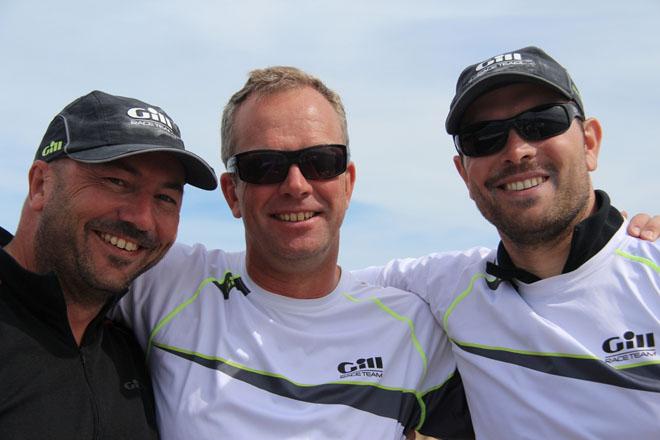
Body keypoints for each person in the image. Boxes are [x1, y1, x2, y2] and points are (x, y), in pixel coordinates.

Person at [114, 67, 474, 439]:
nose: (296, 185)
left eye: (321, 161)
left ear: (347, 183)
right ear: (231, 193)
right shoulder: (163, 284)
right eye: (264, 166)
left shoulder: (412, 329)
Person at [356, 46, 660, 439]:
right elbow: (304, 287)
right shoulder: (446, 288)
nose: (517, 151)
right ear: (464, 173)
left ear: (589, 143)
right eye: (484, 137)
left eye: (542, 122)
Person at [0, 90, 217, 439]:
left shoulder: (132, 349)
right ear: (40, 185)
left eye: (165, 198)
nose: (143, 220)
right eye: (117, 182)